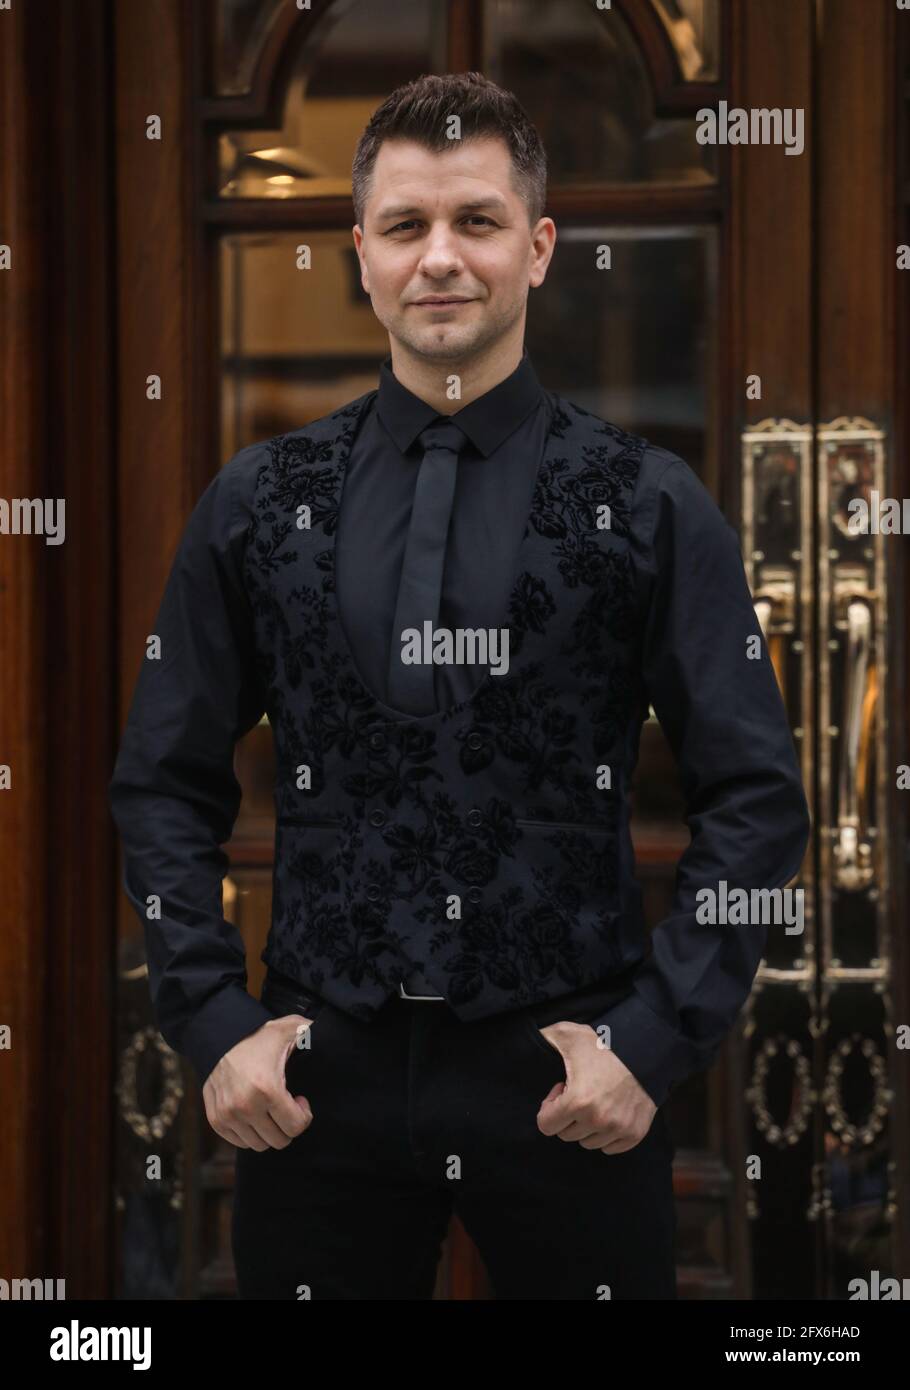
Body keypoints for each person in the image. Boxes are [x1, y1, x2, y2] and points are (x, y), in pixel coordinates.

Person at [108, 71, 811, 1300]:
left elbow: (756, 800)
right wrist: (216, 1023)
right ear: (360, 256)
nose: (442, 258)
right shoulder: (258, 503)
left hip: (567, 1073)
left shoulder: (647, 503)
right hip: (318, 1077)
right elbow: (161, 785)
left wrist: (645, 1045)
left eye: (477, 222)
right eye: (406, 226)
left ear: (539, 249)